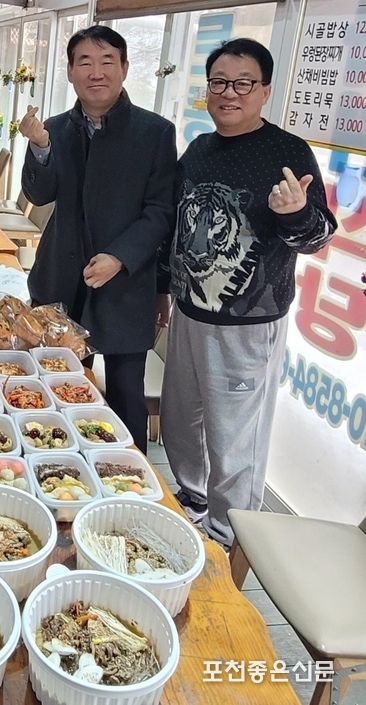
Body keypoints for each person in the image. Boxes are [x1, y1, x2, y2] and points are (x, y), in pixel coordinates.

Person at [158, 38, 337, 549]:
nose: (229, 93)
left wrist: (295, 213)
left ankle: (228, 535)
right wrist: (164, 290)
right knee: (181, 421)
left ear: (265, 90)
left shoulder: (287, 152)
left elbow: (319, 237)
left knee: (235, 437)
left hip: (249, 323)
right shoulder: (199, 148)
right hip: (190, 310)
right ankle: (192, 501)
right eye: (219, 82)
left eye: (242, 83)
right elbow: (177, 227)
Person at [19, 25, 177, 453]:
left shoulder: (154, 132)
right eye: (84, 62)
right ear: (70, 71)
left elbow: (161, 210)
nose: (96, 72)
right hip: (60, 281)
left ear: (124, 68)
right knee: (54, 388)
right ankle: (55, 466)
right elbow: (39, 194)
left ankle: (130, 478)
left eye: (107, 61)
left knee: (126, 395)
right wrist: (40, 147)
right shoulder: (54, 128)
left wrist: (120, 257)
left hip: (125, 286)